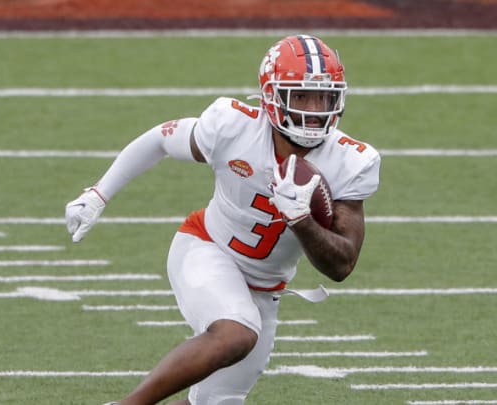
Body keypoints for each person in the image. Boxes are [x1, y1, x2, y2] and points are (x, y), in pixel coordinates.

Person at [65, 34, 381, 405]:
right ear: (271, 96)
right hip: (207, 248)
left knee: (215, 402)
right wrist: (98, 193)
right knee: (236, 334)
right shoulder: (233, 126)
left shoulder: (352, 161)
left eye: (323, 97)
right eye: (301, 96)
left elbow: (342, 264)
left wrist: (302, 220)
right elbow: (162, 139)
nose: (314, 109)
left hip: (265, 288)